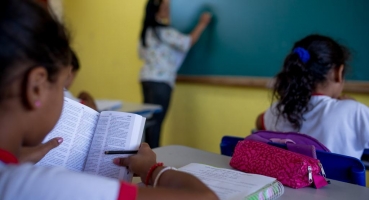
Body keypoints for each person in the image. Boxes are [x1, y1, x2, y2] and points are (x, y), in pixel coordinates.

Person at [0, 1, 218, 199]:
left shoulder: (147, 34)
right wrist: (152, 170)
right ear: (36, 87)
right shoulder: (37, 185)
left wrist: (18, 155)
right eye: (61, 86)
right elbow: (207, 198)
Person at [255, 34, 369, 159]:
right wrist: (350, 105)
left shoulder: (278, 108)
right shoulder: (355, 112)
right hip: (331, 179)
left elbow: (259, 122)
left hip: (283, 179)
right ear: (339, 72)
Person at [139, 0, 212, 148]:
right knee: (156, 124)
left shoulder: (147, 32)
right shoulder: (165, 32)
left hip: (146, 79)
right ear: (157, 10)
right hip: (161, 82)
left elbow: (140, 54)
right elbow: (187, 42)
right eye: (165, 7)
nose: (168, 10)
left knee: (150, 123)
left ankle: (146, 155)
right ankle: (152, 159)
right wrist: (202, 24)